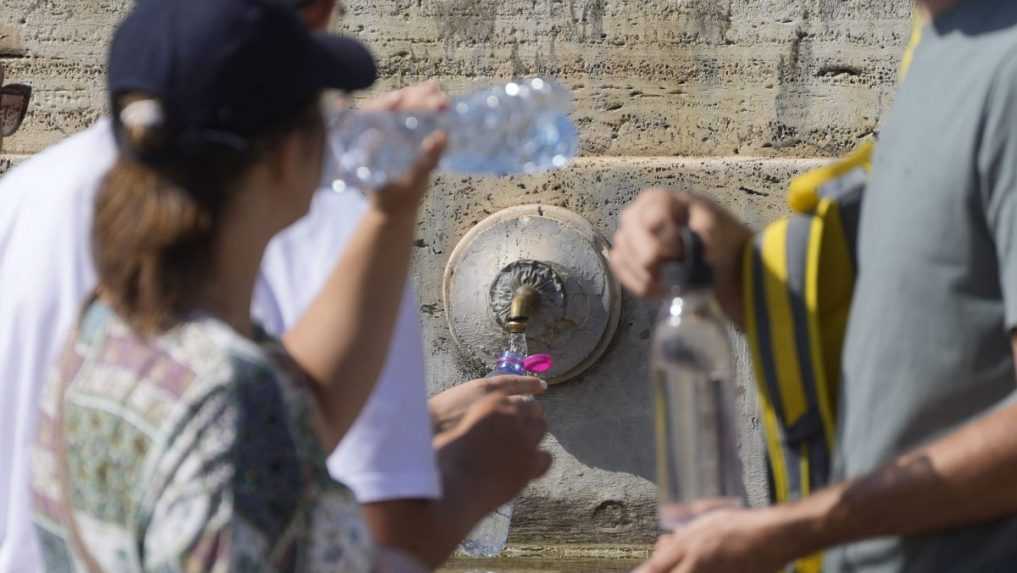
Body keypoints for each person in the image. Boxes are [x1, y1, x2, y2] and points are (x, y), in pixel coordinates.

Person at [0, 0, 550, 570]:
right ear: (289, 154)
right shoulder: (230, 405)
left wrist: (392, 212)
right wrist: (464, 484)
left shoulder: (111, 324)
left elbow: (295, 412)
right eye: (322, 107)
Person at [614, 1, 1017, 571]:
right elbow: (918, 321)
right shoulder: (935, 41)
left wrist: (794, 530)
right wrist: (720, 255)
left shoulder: (1006, 64)